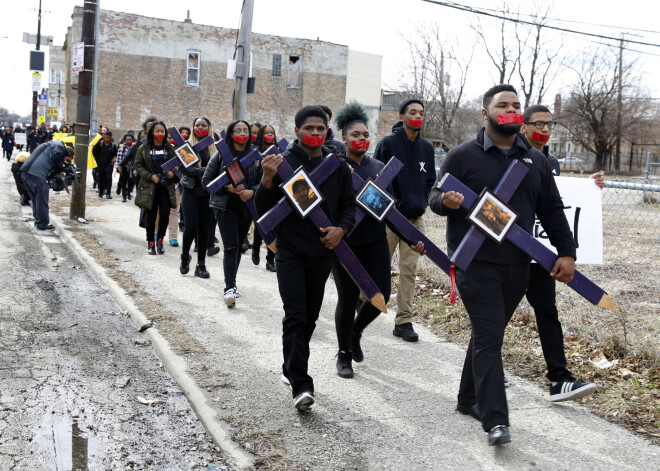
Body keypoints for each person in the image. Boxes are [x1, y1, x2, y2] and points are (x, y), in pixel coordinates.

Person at [428, 84, 577, 446]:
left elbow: (552, 211)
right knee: (491, 335)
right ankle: (496, 419)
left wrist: (567, 252)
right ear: (486, 113)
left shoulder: (536, 161)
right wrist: (445, 202)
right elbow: (432, 197)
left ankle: (466, 399)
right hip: (473, 264)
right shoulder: (463, 156)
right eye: (502, 105)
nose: (510, 110)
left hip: (518, 267)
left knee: (486, 334)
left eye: (516, 105)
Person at [254, 105, 355, 411]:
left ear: (327, 131)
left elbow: (349, 206)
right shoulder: (282, 163)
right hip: (290, 253)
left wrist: (341, 229)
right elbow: (263, 211)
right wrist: (268, 179)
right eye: (308, 128)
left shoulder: (337, 165)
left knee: (310, 318)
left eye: (319, 129)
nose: (314, 133)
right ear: (296, 130)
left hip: (322, 253)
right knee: (296, 314)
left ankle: (290, 365)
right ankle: (301, 383)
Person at [331, 101, 425, 378]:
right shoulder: (335, 166)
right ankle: (343, 354)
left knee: (381, 295)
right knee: (347, 298)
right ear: (344, 138)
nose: (361, 139)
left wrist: (410, 239)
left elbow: (391, 210)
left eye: (365, 135)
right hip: (345, 242)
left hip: (375, 239)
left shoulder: (380, 167)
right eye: (355, 135)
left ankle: (356, 332)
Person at [520, 104, 601, 402]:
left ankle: (559, 378)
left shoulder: (550, 161)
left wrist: (590, 188)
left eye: (549, 124)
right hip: (512, 249)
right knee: (497, 314)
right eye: (538, 123)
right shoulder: (510, 156)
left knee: (547, 310)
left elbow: (556, 202)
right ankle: (485, 368)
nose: (545, 129)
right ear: (523, 127)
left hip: (540, 253)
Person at [374, 98, 436, 342]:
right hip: (389, 218)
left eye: (421, 113)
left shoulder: (427, 148)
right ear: (402, 117)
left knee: (409, 271)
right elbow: (377, 178)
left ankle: (403, 321)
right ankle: (362, 301)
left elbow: (430, 180)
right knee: (379, 266)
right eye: (412, 112)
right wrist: (392, 205)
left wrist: (422, 201)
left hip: (414, 220)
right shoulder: (388, 143)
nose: (418, 116)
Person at [202, 120, 258, 307]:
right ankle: (229, 288)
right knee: (230, 247)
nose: (242, 133)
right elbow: (207, 181)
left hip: (246, 207)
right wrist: (228, 188)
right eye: (238, 130)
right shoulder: (221, 155)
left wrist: (253, 192)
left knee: (239, 247)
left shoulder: (255, 156)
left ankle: (232, 282)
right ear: (231, 134)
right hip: (225, 207)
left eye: (245, 130)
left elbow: (264, 182)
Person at [179, 117, 218, 278]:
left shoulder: (215, 147)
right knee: (190, 227)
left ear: (209, 127)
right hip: (190, 190)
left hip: (207, 193)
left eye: (203, 125)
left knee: (204, 229)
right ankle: (184, 257)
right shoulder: (187, 146)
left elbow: (219, 168)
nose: (200, 127)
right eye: (197, 125)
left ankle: (200, 265)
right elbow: (185, 169)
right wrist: (203, 171)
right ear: (193, 127)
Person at [134, 121, 177, 255]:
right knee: (151, 215)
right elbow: (138, 165)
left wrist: (173, 171)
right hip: (150, 187)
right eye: (157, 131)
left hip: (166, 186)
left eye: (162, 131)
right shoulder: (144, 147)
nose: (160, 134)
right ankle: (150, 243)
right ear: (152, 132)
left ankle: (160, 240)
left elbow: (177, 162)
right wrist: (150, 176)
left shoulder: (169, 147)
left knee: (165, 213)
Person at [20, 139, 75, 231]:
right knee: (42, 200)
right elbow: (56, 158)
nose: (65, 161)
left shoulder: (52, 145)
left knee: (36, 199)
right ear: (68, 154)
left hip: (26, 172)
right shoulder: (59, 149)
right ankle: (42, 224)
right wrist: (62, 169)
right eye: (67, 159)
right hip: (36, 174)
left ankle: (39, 221)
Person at [251, 124, 278, 272]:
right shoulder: (255, 154)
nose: (269, 135)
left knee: (272, 226)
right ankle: (255, 248)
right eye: (266, 133)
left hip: (274, 194)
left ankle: (270, 259)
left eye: (271, 133)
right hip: (259, 193)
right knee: (259, 225)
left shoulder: (279, 151)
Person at [93, 130, 118, 199]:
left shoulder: (113, 146)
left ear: (111, 138)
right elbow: (94, 152)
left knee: (108, 179)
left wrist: (114, 158)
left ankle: (108, 193)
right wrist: (97, 160)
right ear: (104, 137)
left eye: (109, 138)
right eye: (106, 137)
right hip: (100, 165)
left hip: (109, 165)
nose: (107, 139)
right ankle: (101, 192)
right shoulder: (100, 144)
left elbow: (115, 154)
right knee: (101, 178)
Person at [115, 134, 135, 202]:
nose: (129, 141)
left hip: (132, 168)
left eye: (130, 140)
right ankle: (124, 197)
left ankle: (129, 192)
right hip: (124, 167)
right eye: (127, 140)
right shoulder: (122, 148)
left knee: (131, 182)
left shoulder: (134, 148)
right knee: (123, 182)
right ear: (124, 141)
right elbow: (119, 159)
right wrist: (118, 167)